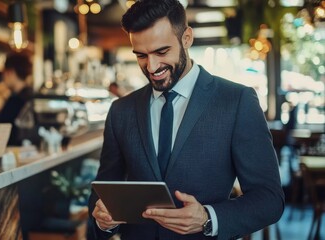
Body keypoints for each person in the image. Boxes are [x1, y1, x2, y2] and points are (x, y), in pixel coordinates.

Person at [88, 0, 285, 239]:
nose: (151, 66)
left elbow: (269, 199)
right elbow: (102, 193)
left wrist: (207, 217)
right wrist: (104, 219)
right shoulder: (121, 111)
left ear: (187, 38)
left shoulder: (236, 101)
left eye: (162, 52)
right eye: (141, 55)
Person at [0, 52, 33, 146]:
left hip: (13, 152)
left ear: (10, 72)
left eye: (4, 72)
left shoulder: (16, 99)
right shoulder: (30, 94)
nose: (3, 77)